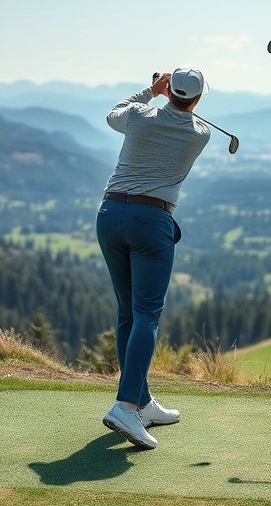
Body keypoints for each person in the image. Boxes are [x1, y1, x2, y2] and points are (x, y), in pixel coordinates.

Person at [97, 66, 211, 449]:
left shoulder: (138, 115)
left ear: (168, 89)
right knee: (146, 314)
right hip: (152, 220)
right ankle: (126, 406)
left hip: (110, 215)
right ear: (196, 98)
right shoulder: (201, 133)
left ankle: (142, 401)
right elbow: (182, 113)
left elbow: (115, 111)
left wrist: (150, 91)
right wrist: (171, 98)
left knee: (128, 312)